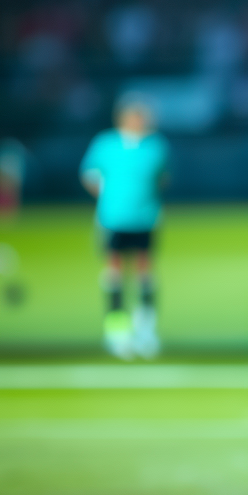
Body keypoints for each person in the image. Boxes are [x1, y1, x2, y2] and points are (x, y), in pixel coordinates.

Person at [80, 95, 169, 360]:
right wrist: (111, 199)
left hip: (145, 218)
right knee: (115, 272)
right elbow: (90, 175)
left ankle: (145, 330)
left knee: (145, 271)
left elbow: (162, 178)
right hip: (113, 219)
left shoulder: (156, 146)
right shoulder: (105, 143)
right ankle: (117, 331)